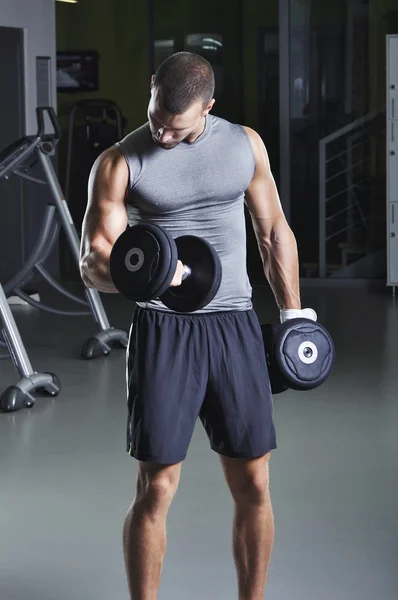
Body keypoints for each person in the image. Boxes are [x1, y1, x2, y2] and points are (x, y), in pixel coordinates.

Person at [80, 52, 316, 600]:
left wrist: (294, 316)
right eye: (157, 117)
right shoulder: (120, 162)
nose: (161, 133)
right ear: (152, 89)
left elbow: (274, 232)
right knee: (156, 487)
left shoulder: (242, 145)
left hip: (234, 325)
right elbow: (93, 262)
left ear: (208, 107)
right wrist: (149, 279)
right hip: (165, 329)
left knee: (255, 482)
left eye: (175, 126)